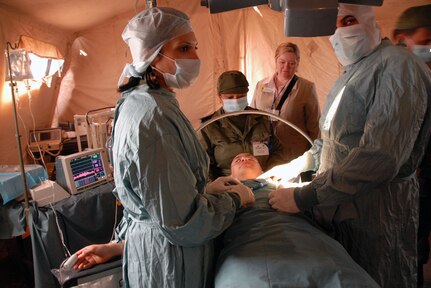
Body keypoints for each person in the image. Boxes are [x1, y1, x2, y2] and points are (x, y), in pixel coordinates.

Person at [260, 4, 431, 288]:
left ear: (369, 20)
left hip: (377, 210)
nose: (341, 31)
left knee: (378, 278)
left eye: (349, 20)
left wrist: (304, 197)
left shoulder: (397, 65)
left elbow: (380, 157)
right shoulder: (354, 72)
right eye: (334, 24)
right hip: (345, 206)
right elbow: (331, 142)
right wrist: (293, 166)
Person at [88, 7, 255, 288]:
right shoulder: (153, 118)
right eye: (184, 48)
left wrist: (203, 190)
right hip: (169, 264)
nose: (195, 58)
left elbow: (152, 198)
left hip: (156, 249)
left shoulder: (147, 102)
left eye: (195, 47)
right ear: (153, 56)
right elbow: (185, 224)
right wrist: (237, 198)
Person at [392, 5, 431, 287]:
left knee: (416, 248)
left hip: (423, 179)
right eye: (427, 41)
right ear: (400, 38)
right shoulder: (391, 77)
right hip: (405, 183)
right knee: (406, 248)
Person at [199, 70, 284, 180]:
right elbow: (203, 166)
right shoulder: (210, 126)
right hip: (228, 186)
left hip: (262, 182)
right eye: (230, 97)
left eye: (241, 96)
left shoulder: (262, 119)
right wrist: (216, 189)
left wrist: (269, 175)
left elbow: (277, 151)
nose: (236, 101)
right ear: (220, 97)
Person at [250, 42, 321, 163]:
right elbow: (252, 116)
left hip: (292, 154)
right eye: (282, 62)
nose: (286, 67)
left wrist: (314, 156)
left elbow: (314, 126)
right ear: (276, 61)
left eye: (292, 63)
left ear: (297, 64)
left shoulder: (306, 88)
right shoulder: (261, 85)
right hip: (264, 152)